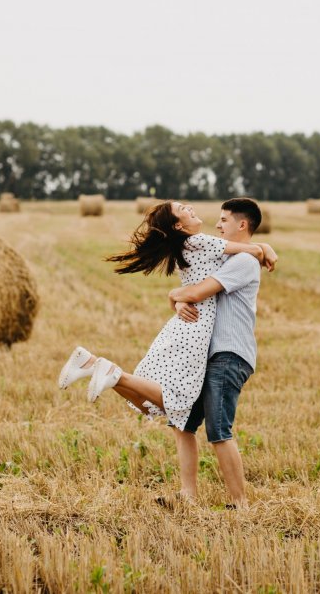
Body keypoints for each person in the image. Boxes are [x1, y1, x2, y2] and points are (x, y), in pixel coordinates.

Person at [57, 200, 276, 440]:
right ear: (178, 226)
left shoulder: (190, 245)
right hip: (196, 328)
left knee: (149, 403)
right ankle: (113, 372)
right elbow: (251, 252)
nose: (190, 207)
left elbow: (231, 258)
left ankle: (91, 362)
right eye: (183, 209)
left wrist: (175, 297)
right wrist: (263, 248)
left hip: (185, 325)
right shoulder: (199, 241)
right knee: (175, 400)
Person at [164, 197, 266, 509]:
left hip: (229, 355)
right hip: (208, 356)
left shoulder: (242, 263)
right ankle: (187, 496)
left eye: (224, 220)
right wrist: (178, 301)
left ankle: (240, 505)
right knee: (182, 423)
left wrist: (177, 296)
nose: (218, 225)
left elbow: (196, 291)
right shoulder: (226, 259)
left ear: (242, 224)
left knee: (219, 429)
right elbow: (192, 292)